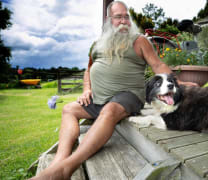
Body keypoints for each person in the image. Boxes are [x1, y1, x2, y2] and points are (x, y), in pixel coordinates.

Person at [31, 1, 198, 179]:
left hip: (128, 96)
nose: (124, 21)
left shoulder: (139, 40)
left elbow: (158, 65)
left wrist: (177, 81)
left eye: (126, 16)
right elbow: (88, 69)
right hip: (99, 99)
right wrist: (87, 89)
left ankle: (67, 168)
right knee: (69, 109)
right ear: (109, 20)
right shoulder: (97, 44)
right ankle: (59, 161)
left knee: (110, 110)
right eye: (118, 17)